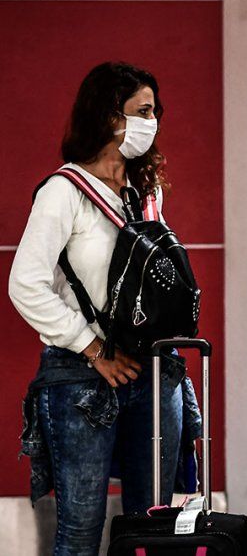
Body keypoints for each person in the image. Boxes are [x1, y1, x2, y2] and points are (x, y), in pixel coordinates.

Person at [10, 62, 199, 556]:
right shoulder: (63, 193)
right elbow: (25, 285)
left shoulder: (145, 193)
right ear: (109, 116)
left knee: (151, 528)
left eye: (154, 111)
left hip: (156, 375)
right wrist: (93, 347)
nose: (152, 121)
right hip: (80, 378)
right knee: (81, 530)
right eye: (142, 111)